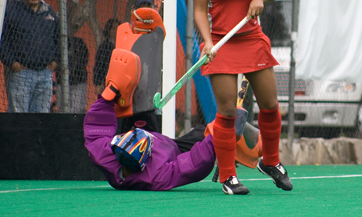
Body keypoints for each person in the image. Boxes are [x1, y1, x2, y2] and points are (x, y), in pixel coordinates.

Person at [191, 0, 293, 195]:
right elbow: (199, 10)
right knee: (226, 112)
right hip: (220, 43)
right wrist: (207, 41)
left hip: (252, 39)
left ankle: (270, 162)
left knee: (270, 105)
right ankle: (228, 177)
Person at [84, 46, 249, 191]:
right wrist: (221, 131)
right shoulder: (156, 177)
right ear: (146, 160)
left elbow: (95, 132)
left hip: (164, 144)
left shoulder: (108, 155)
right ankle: (251, 147)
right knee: (204, 133)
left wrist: (109, 93)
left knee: (141, 111)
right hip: (175, 152)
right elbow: (194, 163)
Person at [0, 0, 59, 113]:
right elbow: (3, 40)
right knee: (18, 118)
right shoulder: (12, 10)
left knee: (40, 119)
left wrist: (56, 61)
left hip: (45, 75)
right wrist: (11, 62)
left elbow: (59, 39)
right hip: (21, 74)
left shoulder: (49, 12)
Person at [55, 36, 89, 113]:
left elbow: (84, 59)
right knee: (62, 109)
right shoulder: (58, 42)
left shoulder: (79, 43)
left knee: (77, 109)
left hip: (79, 81)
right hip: (62, 82)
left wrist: (73, 70)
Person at [93, 18, 120, 95]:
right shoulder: (104, 47)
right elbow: (98, 66)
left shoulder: (124, 45)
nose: (115, 31)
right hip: (107, 83)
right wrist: (98, 83)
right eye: (113, 28)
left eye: (117, 28)